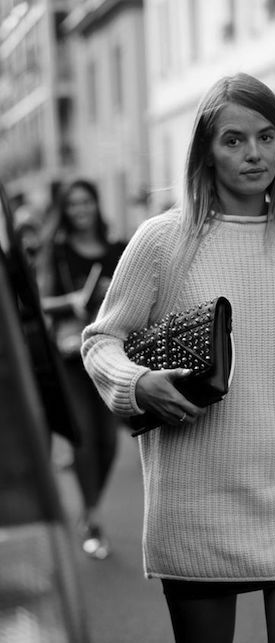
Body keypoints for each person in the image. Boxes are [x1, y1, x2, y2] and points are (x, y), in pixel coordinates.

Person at [82, 74, 275, 642]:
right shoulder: (163, 240)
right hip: (197, 504)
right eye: (233, 140)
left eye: (267, 136)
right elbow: (101, 340)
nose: (254, 153)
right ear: (206, 152)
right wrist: (136, 382)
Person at [43, 178, 126, 559]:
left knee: (108, 442)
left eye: (86, 202)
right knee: (85, 439)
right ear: (65, 210)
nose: (80, 209)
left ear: (96, 204)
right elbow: (40, 300)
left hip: (111, 355)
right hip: (72, 357)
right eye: (73, 203)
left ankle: (91, 507)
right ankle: (92, 516)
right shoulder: (57, 251)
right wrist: (71, 301)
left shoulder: (117, 249)